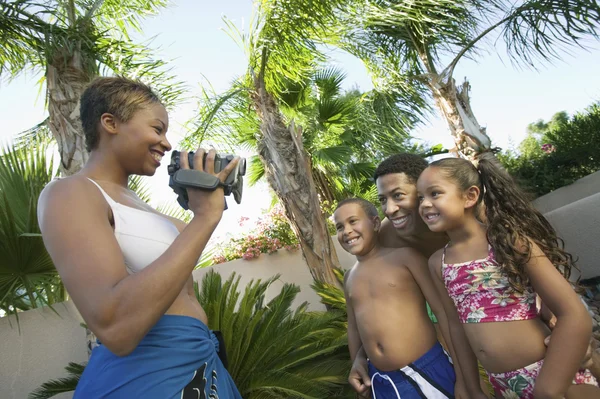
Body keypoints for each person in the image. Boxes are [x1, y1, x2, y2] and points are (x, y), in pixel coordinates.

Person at [37, 77, 242, 398]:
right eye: (157, 129)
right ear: (110, 123)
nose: (167, 142)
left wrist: (197, 208)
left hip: (202, 364)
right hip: (146, 377)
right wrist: (205, 218)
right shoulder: (70, 193)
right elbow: (115, 326)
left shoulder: (148, 210)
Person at [348, 153, 596, 397]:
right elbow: (372, 304)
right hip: (461, 313)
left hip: (518, 303)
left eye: (399, 196)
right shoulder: (390, 236)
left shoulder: (483, 219)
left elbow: (541, 274)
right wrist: (363, 355)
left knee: (582, 354)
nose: (390, 209)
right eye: (383, 199)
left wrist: (562, 327)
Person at [334, 198, 482, 398]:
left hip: (428, 369)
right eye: (339, 227)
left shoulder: (405, 258)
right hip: (381, 380)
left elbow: (442, 312)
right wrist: (357, 364)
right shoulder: (349, 277)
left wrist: (465, 376)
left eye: (353, 221)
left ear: (376, 223)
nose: (347, 231)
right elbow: (354, 328)